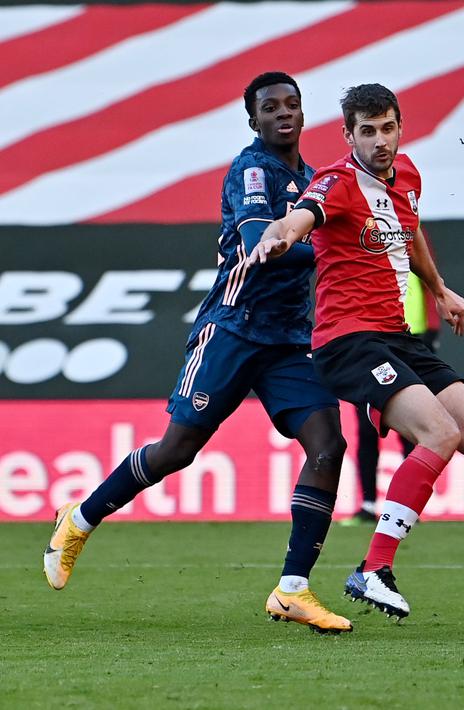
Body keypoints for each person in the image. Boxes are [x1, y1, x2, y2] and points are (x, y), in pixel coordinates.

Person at [43, 72, 352, 634]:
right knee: (176, 450)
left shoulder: (312, 181)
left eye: (292, 104)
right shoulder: (252, 169)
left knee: (328, 442)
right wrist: (330, 252)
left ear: (304, 114)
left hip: (287, 341)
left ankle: (292, 588)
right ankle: (80, 518)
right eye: (270, 107)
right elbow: (266, 243)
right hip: (233, 327)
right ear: (253, 119)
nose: (284, 113)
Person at [247, 83, 464, 619]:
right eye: (367, 131)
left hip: (396, 335)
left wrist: (440, 288)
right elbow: (300, 218)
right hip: (346, 341)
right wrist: (278, 236)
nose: (380, 141)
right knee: (440, 433)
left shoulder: (409, 175)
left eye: (387, 128)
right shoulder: (337, 183)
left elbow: (409, 230)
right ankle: (372, 569)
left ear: (400, 127)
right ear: (348, 135)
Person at [343, 267, 439, 527]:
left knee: (410, 430)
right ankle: (368, 505)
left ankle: (408, 507)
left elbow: (430, 281)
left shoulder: (409, 236)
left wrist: (431, 329)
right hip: (370, 344)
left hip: (411, 343)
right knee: (366, 428)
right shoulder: (363, 245)